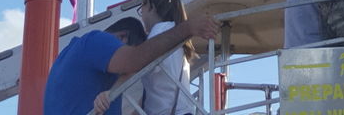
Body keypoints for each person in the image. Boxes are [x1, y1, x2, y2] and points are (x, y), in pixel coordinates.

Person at [43, 7, 218, 115]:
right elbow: (135, 60)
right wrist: (187, 28)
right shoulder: (95, 41)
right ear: (123, 37)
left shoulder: (67, 57)